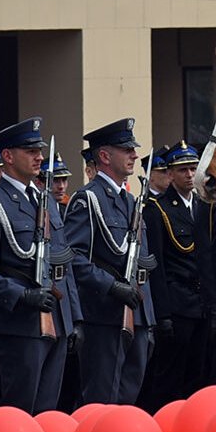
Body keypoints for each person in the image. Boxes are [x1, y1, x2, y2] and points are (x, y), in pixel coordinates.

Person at [0, 119, 78, 414]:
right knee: (20, 409)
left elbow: (62, 262)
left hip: (56, 317)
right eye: (30, 151)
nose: (39, 157)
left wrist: (72, 319)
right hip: (21, 322)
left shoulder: (46, 201)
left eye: (39, 150)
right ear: (7, 156)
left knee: (47, 410)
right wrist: (21, 295)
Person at [65, 119, 157, 405]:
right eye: (126, 149)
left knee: (128, 399)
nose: (133, 155)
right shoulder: (87, 200)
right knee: (103, 399)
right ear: (104, 156)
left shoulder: (131, 202)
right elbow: (74, 258)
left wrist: (148, 318)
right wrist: (112, 287)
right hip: (105, 315)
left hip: (137, 312)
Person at [140, 143, 216, 410]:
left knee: (199, 377)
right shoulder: (158, 209)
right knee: (170, 379)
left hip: (202, 305)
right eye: (182, 169)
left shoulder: (204, 206)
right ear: (170, 175)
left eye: (193, 169)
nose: (188, 174)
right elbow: (157, 267)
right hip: (176, 304)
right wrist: (163, 315)